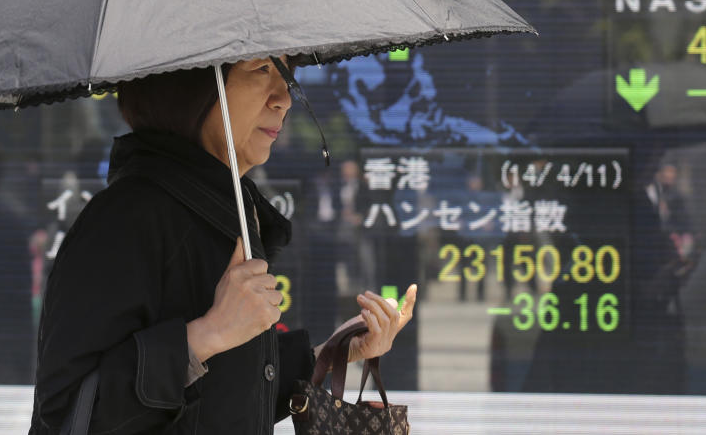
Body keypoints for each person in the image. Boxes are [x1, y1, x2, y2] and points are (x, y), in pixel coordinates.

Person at [29, 58, 417, 434]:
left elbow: (224, 396)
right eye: (261, 69)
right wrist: (207, 334)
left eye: (285, 72)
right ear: (188, 85)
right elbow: (66, 414)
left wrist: (339, 350)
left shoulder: (225, 210)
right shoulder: (125, 218)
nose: (283, 96)